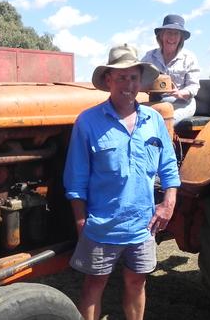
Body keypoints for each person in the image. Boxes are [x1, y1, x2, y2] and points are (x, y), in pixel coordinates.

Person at [64, 44, 181, 320]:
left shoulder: (153, 120)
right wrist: (81, 222)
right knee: (94, 284)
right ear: (108, 80)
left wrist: (168, 201)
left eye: (133, 78)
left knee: (136, 281)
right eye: (121, 77)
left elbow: (168, 166)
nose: (128, 85)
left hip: (143, 224)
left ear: (140, 81)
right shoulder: (88, 122)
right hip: (102, 224)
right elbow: (75, 177)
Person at [142, 14, 201, 123]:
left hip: (182, 104)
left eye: (176, 34)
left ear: (181, 38)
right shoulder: (150, 57)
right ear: (161, 35)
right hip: (156, 102)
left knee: (164, 120)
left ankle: (165, 139)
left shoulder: (189, 58)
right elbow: (138, 76)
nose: (172, 37)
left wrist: (180, 93)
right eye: (169, 32)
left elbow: (194, 86)